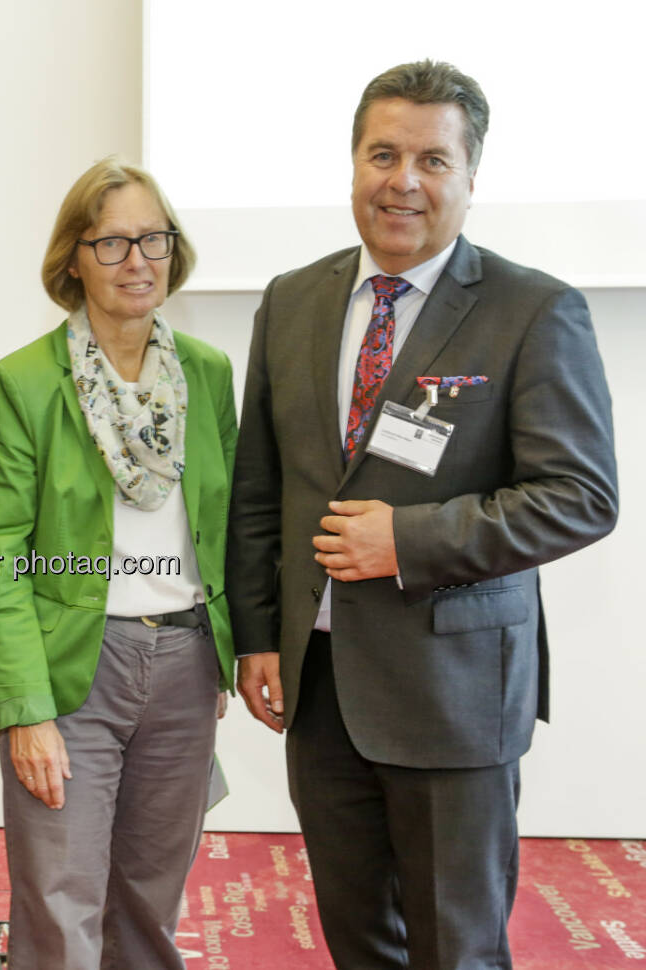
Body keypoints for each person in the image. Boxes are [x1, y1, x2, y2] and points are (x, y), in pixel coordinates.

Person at [227, 60, 618, 970]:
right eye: (383, 154)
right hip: (320, 690)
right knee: (358, 939)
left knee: (457, 948)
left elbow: (580, 497)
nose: (403, 180)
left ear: (471, 179)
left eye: (433, 160)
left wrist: (405, 540)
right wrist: (256, 636)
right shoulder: (293, 299)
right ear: (354, 165)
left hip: (455, 696)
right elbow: (261, 488)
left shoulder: (532, 309)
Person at [0, 157, 236, 970]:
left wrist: (234, 650)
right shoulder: (22, 383)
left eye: (153, 239)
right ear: (72, 258)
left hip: (186, 661)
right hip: (71, 669)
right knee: (59, 903)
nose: (137, 260)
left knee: (152, 902)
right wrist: (24, 708)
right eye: (113, 241)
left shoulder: (209, 374)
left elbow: (234, 525)